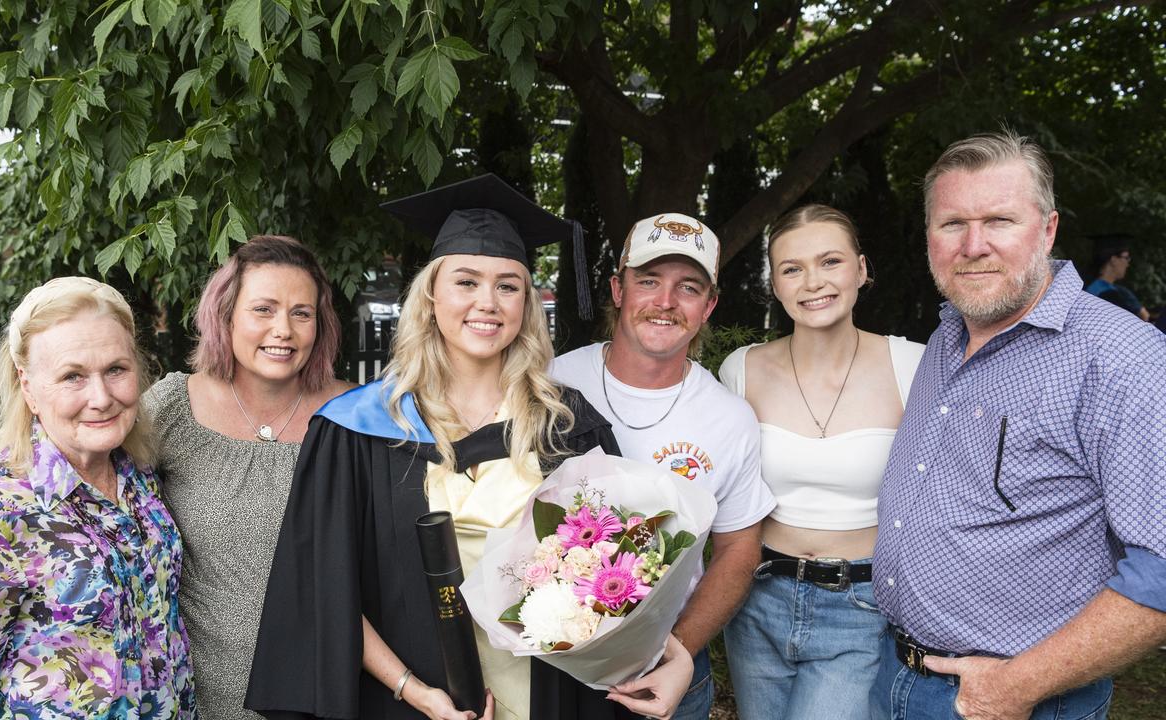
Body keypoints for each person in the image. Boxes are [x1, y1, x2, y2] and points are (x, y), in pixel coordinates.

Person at [245, 175, 694, 720]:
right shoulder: (357, 429)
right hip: (414, 702)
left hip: (547, 697)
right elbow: (324, 588)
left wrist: (673, 655)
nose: (488, 302)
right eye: (466, 281)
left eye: (508, 285)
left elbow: (618, 574)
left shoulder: (568, 425)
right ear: (431, 293)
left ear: (527, 302)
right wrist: (414, 692)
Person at [871, 130, 1166, 720]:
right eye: (952, 223)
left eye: (1000, 220)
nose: (973, 245)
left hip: (1016, 700)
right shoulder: (946, 334)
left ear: (1048, 229)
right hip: (896, 676)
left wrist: (1016, 686)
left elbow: (1160, 569)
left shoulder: (1122, 358)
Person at [0, 277, 195, 718]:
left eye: (116, 370)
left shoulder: (137, 476)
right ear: (28, 387)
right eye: (73, 376)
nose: (101, 397)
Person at [551, 212, 777, 720]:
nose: (666, 302)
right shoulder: (551, 384)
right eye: (648, 281)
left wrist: (679, 650)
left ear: (709, 306)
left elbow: (739, 549)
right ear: (617, 289)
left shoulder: (728, 418)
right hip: (552, 667)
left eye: (689, 287)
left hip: (665, 674)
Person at [715, 205, 924, 720]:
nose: (813, 282)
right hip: (758, 598)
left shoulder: (912, 365)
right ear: (776, 284)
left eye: (830, 261)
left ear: (861, 268)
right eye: (792, 268)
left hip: (862, 602)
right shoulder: (740, 369)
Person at [143, 235, 353, 719]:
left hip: (329, 687)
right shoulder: (174, 409)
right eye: (264, 309)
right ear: (226, 315)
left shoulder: (355, 415)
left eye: (302, 313)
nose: (283, 329)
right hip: (204, 692)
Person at [1083, 240, 1152, 321]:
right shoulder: (1116, 293)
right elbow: (1145, 316)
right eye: (1126, 258)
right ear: (1113, 259)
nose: (1127, 264)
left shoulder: (1087, 287)